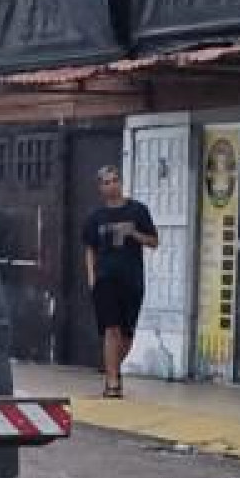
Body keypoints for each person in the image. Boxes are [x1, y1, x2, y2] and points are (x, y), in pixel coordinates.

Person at [82, 164, 159, 399]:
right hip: (106, 278)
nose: (112, 185)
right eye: (106, 182)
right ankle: (112, 382)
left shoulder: (138, 211)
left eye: (115, 180)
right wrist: (92, 277)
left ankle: (112, 367)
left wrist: (133, 233)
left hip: (131, 278)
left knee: (126, 333)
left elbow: (154, 241)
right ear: (100, 188)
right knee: (111, 329)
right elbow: (89, 248)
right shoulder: (96, 217)